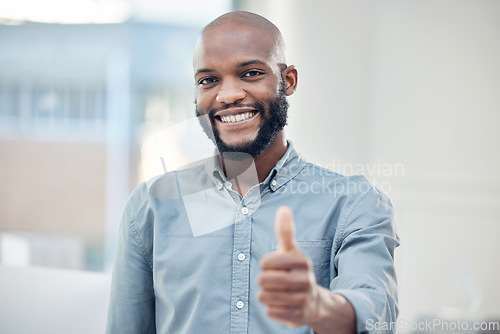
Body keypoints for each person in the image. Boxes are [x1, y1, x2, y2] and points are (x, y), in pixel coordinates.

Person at [106, 11, 399, 334]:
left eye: (250, 73)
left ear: (287, 81)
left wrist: (318, 306)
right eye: (208, 80)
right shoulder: (150, 208)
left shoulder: (354, 204)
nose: (228, 95)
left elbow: (376, 316)